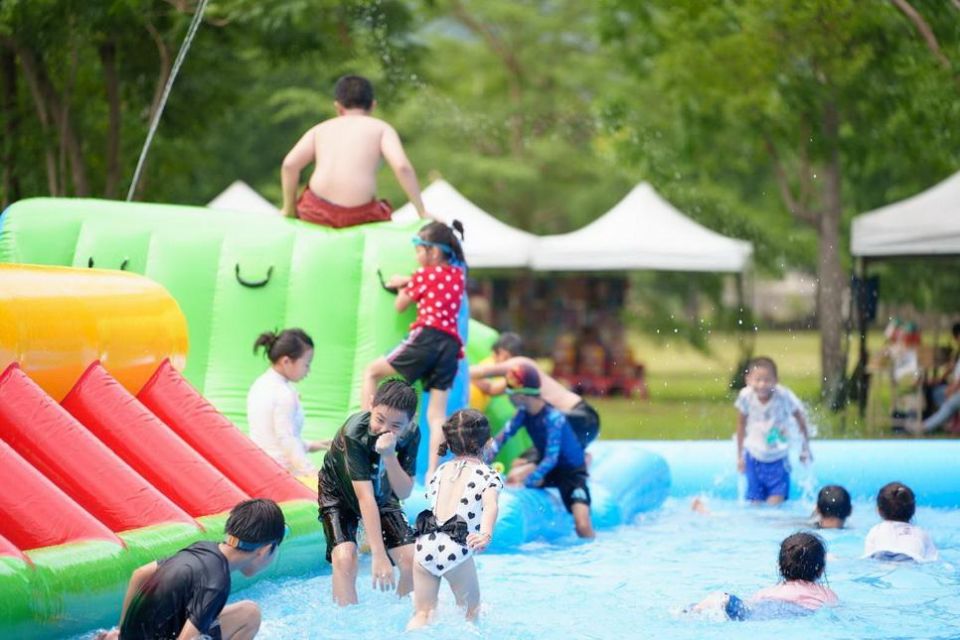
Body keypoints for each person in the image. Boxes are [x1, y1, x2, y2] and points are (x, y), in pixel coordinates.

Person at [362, 221, 467, 478]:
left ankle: (365, 429)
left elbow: (400, 305)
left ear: (432, 251)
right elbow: (437, 281)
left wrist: (403, 286)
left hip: (426, 337)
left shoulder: (423, 275)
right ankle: (434, 471)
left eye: (419, 250)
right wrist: (411, 280)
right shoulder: (457, 275)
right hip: (450, 346)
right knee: (437, 415)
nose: (416, 256)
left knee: (372, 372)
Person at [96, 499, 288, 640]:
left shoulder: (202, 547)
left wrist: (123, 631)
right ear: (264, 551)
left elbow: (140, 574)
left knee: (248, 612)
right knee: (250, 617)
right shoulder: (217, 583)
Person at [279, 74, 431, 227]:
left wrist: (289, 209)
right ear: (373, 106)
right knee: (383, 210)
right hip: (361, 214)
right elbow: (402, 167)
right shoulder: (381, 129)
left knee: (305, 201)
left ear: (338, 107)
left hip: (316, 210)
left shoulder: (320, 129)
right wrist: (421, 211)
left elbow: (289, 165)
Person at [318, 378, 420, 605]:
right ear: (371, 405)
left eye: (395, 426)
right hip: (338, 493)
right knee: (345, 559)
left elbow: (403, 492)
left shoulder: (412, 434)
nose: (384, 431)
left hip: (382, 491)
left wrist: (390, 455)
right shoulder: (354, 433)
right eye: (379, 419)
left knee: (412, 561)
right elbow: (364, 498)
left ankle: (401, 619)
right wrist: (379, 554)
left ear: (410, 421)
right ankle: (345, 623)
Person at [407, 409, 502, 629]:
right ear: (487, 444)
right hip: (456, 547)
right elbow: (491, 506)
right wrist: (486, 533)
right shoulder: (488, 475)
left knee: (423, 613)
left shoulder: (440, 470)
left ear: (449, 444)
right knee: (471, 611)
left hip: (425, 543)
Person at [485, 363, 594, 538]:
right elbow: (501, 439)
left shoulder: (553, 418)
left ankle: (586, 460)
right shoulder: (523, 413)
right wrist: (481, 465)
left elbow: (551, 458)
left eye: (510, 394)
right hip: (548, 468)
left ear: (523, 395)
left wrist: (528, 482)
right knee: (514, 475)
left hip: (571, 474)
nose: (508, 398)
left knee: (582, 525)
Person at [470, 332, 602, 459]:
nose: (494, 362)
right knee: (524, 461)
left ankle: (579, 460)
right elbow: (491, 389)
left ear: (504, 354)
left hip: (578, 417)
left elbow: (483, 372)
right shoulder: (520, 380)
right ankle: (579, 457)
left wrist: (456, 367)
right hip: (579, 421)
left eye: (495, 358)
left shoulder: (520, 363)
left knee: (534, 460)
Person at [690, 532, 838, 620]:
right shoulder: (827, 594)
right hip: (803, 613)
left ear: (780, 567)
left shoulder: (768, 592)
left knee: (729, 604)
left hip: (767, 607)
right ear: (821, 569)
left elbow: (750, 605)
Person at [247, 329, 327, 476]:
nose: (308, 371)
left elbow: (271, 438)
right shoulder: (284, 394)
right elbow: (287, 441)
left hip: (259, 469)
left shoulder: (259, 384)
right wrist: (313, 474)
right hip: (282, 475)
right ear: (286, 362)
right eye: (306, 364)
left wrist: (313, 445)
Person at [734, 356, 813, 505]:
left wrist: (805, 448)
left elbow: (800, 420)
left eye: (767, 380)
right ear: (748, 379)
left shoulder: (784, 396)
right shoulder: (746, 396)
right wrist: (740, 456)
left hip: (778, 458)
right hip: (753, 457)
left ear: (776, 380)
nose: (762, 384)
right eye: (757, 380)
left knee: (775, 505)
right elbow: (740, 426)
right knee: (754, 504)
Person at [863, 481, 938, 562]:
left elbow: (869, 558)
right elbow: (933, 560)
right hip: (912, 562)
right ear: (914, 510)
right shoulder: (922, 534)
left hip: (882, 560)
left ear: (878, 510)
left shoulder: (875, 531)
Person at [911, 322, 960, 434]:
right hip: (955, 389)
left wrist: (952, 389)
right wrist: (936, 380)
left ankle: (925, 427)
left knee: (949, 403)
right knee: (935, 392)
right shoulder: (957, 355)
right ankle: (946, 422)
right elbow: (950, 370)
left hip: (957, 391)